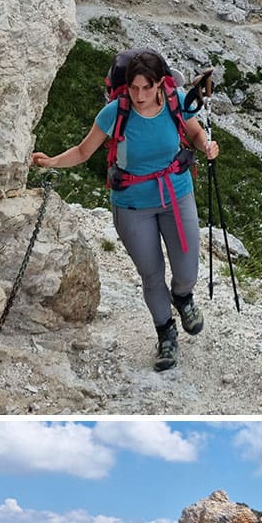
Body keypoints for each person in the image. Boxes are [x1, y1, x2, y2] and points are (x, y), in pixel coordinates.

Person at [32, 51, 220, 372]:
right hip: (132, 205)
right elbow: (82, 150)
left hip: (176, 194)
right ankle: (166, 335)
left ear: (161, 83)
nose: (140, 96)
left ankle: (183, 297)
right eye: (133, 88)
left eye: (147, 88)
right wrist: (51, 162)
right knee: (151, 274)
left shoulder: (174, 101)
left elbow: (194, 133)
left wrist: (206, 146)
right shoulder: (115, 112)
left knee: (187, 269)